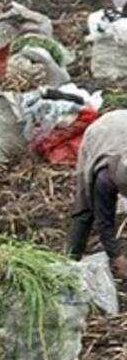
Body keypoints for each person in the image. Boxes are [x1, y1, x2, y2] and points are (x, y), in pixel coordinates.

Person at [68, 110, 127, 279]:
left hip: (123, 126)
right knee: (85, 209)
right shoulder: (105, 179)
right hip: (99, 134)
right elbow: (104, 221)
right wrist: (116, 256)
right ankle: (69, 264)